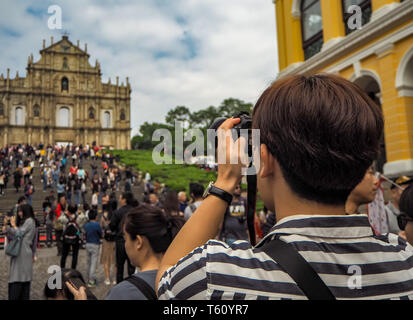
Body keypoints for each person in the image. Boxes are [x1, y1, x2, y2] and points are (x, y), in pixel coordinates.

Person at [156, 74, 413, 300]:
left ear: (264, 161)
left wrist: (224, 183)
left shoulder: (215, 278)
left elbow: (169, 280)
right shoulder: (405, 260)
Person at [68, 204, 185, 300]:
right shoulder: (183, 279)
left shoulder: (123, 293)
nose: (125, 245)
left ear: (139, 242)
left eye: (126, 239)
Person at [3, 204, 36, 300]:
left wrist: (13, 225)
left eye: (21, 211)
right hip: (20, 252)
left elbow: (19, 233)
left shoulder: (30, 221)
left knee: (20, 278)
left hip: (24, 252)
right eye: (18, 211)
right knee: (17, 276)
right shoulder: (24, 222)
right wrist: (6, 225)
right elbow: (14, 233)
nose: (19, 213)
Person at [109, 192, 136, 283]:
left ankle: (119, 285)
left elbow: (112, 226)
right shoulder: (134, 211)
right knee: (131, 266)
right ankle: (133, 285)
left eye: (120, 198)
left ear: (124, 199)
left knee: (119, 266)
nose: (119, 200)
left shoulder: (117, 212)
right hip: (132, 240)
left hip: (120, 241)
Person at [84, 209, 102, 287]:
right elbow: (100, 234)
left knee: (88, 262)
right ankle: (91, 281)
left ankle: (88, 278)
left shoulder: (86, 225)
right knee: (93, 263)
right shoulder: (97, 225)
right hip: (95, 244)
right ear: (95, 216)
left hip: (88, 244)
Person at [60, 204, 81, 269]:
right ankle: (73, 268)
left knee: (64, 254)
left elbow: (59, 219)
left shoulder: (64, 218)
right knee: (75, 255)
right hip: (76, 237)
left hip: (66, 238)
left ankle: (62, 268)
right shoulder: (78, 218)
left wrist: (65, 213)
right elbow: (80, 227)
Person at [100, 210, 117, 285]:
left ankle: (107, 279)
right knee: (115, 260)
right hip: (114, 240)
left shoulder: (103, 216)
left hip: (106, 241)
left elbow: (101, 227)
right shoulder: (116, 214)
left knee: (106, 260)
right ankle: (114, 279)